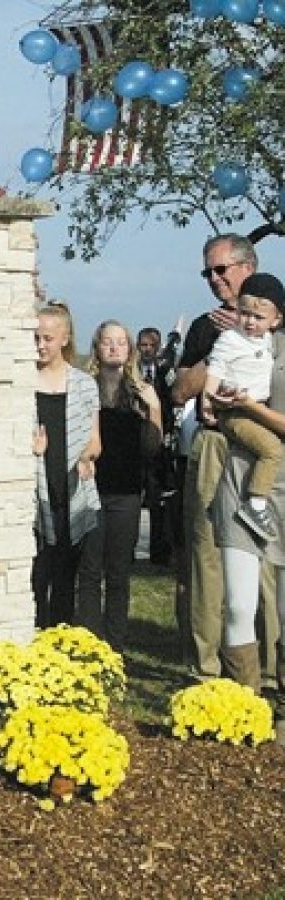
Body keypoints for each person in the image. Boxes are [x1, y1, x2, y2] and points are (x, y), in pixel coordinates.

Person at [171, 234, 280, 682]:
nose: (214, 280)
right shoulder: (204, 326)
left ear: (248, 267)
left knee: (269, 561)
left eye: (222, 270)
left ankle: (272, 672)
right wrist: (218, 345)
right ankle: (208, 669)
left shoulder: (275, 324)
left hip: (266, 446)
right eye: (207, 273)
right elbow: (179, 391)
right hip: (216, 443)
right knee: (207, 553)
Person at [211, 278, 285, 742]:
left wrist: (248, 407)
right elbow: (199, 388)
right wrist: (208, 396)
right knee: (239, 603)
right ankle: (245, 708)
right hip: (239, 482)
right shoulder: (232, 337)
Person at [77, 321, 162, 649]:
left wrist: (154, 408)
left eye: (120, 342)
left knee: (118, 573)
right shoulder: (86, 387)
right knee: (89, 570)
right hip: (91, 489)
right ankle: (87, 644)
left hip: (126, 493)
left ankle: (115, 645)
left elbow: (152, 448)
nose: (113, 348)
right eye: (107, 342)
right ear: (97, 347)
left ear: (129, 350)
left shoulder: (139, 392)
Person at [31, 301, 101, 629]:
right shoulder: (23, 382)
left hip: (70, 489)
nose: (40, 345)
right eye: (35, 338)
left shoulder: (84, 384)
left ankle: (58, 640)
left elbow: (95, 440)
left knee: (65, 574)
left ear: (64, 338)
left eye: (46, 338)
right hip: (35, 490)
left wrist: (86, 458)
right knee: (36, 573)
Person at [203, 273, 285, 542]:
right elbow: (215, 368)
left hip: (256, 409)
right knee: (272, 451)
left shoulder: (268, 342)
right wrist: (208, 398)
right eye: (245, 314)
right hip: (236, 411)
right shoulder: (230, 339)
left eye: (258, 318)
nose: (250, 322)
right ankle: (256, 504)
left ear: (276, 321)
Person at [138, 325, 179, 565]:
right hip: (136, 440)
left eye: (151, 346)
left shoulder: (164, 372)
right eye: (143, 345)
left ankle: (159, 552)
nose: (147, 350)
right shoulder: (132, 373)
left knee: (157, 499)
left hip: (160, 440)